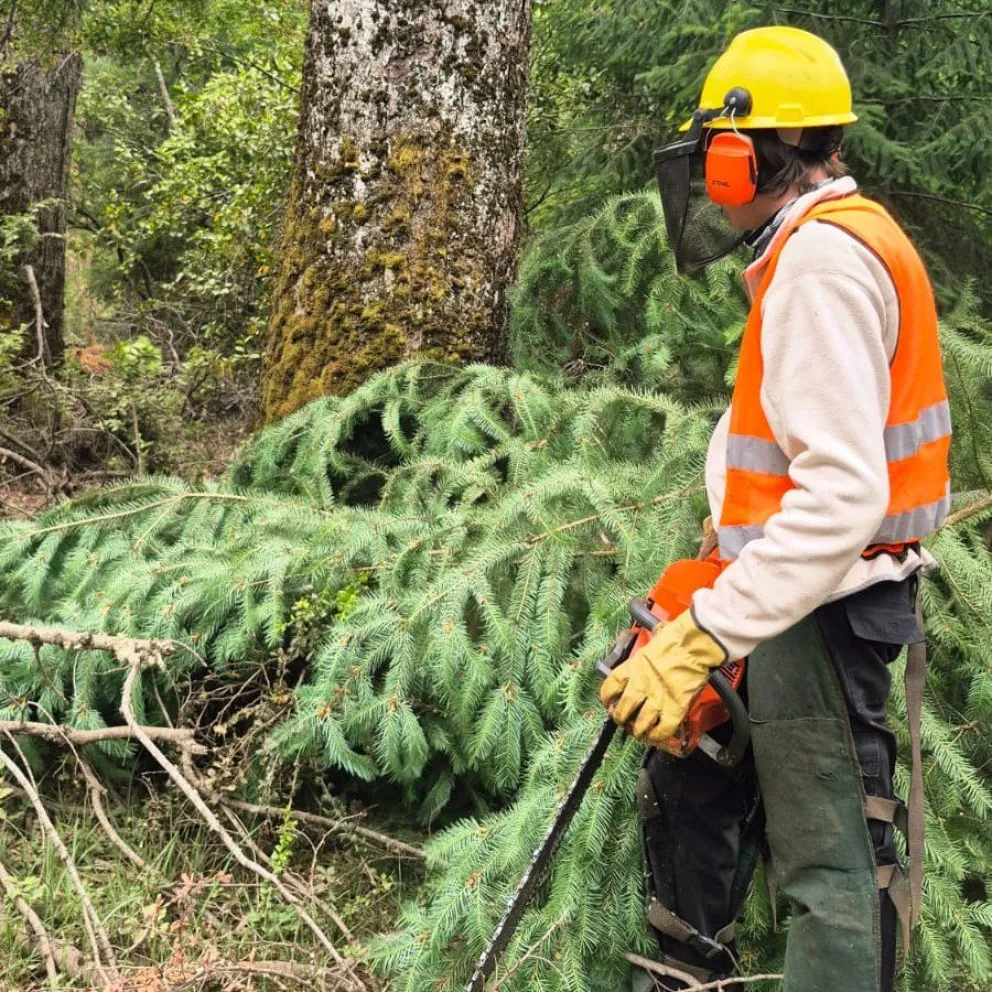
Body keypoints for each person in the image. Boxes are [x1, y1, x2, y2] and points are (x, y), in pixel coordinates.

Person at [600, 25, 950, 992]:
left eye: (717, 147)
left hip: (815, 617)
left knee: (835, 874)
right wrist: (710, 594)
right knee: (695, 791)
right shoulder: (830, 246)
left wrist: (708, 630)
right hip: (780, 602)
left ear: (742, 154)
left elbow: (842, 495)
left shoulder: (821, 266)